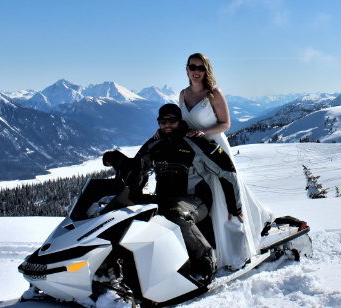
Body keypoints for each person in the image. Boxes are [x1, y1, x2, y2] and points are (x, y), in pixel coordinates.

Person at [105, 104, 244, 281]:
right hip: (164, 199)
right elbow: (138, 165)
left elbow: (227, 172)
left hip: (196, 200)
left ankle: (205, 259)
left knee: (176, 213)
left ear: (180, 121)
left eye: (172, 120)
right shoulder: (155, 143)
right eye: (163, 121)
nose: (168, 124)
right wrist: (117, 160)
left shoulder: (197, 141)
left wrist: (235, 206)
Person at [179, 53, 275, 269]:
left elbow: (225, 124)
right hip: (195, 151)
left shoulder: (213, 94)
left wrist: (202, 132)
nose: (196, 71)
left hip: (215, 148)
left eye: (200, 68)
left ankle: (234, 251)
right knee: (204, 195)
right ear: (186, 69)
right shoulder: (183, 94)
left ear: (206, 70)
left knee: (223, 195)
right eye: (192, 67)